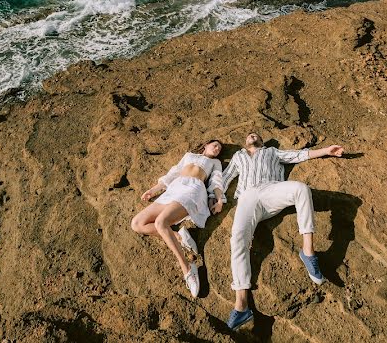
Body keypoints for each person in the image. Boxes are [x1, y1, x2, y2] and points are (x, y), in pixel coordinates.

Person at [222, 132, 344, 330]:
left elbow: (297, 155)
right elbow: (226, 176)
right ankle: (241, 305)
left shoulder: (271, 152)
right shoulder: (238, 156)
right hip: (246, 198)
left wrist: (326, 151)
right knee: (237, 240)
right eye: (249, 135)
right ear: (245, 142)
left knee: (301, 189)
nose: (253, 135)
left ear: (261, 141)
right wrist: (215, 197)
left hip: (272, 191)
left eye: (256, 134)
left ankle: (308, 251)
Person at [131, 139, 226, 298]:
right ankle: (178, 236)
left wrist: (219, 200)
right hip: (175, 188)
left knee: (161, 222)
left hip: (193, 189)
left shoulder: (215, 162)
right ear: (205, 146)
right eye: (215, 145)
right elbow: (173, 173)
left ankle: (187, 268)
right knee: (137, 223)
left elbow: (216, 180)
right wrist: (153, 190)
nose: (217, 149)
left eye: (220, 148)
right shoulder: (189, 155)